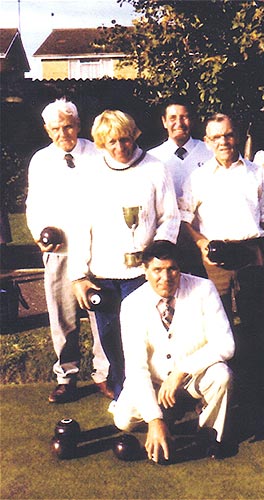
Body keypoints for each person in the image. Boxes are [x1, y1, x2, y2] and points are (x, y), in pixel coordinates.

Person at [68, 110, 180, 401]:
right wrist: (79, 276)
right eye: (112, 142)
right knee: (110, 339)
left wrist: (156, 257)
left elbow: (169, 217)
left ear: (135, 135)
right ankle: (124, 394)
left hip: (142, 275)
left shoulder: (155, 167)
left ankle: (156, 394)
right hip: (103, 276)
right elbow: (79, 226)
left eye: (126, 139)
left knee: (147, 336)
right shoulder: (89, 173)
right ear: (101, 142)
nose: (120, 148)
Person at [178, 113, 264, 419]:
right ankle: (217, 391)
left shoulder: (256, 173)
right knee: (216, 330)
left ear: (236, 136)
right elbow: (184, 219)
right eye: (216, 137)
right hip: (216, 260)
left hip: (251, 254)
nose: (223, 141)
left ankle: (254, 392)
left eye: (229, 135)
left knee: (256, 325)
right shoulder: (198, 177)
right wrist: (201, 244)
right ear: (207, 142)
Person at [111, 240, 235, 462]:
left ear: (180, 268)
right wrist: (154, 420)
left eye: (172, 269)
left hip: (193, 377)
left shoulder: (204, 289)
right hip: (156, 381)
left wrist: (181, 371)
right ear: (145, 270)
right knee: (123, 420)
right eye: (157, 270)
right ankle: (166, 413)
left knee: (222, 375)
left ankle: (209, 434)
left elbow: (226, 344)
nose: (165, 278)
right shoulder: (131, 305)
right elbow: (136, 368)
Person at [26, 98, 113, 403]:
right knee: (62, 318)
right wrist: (40, 236)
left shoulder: (98, 153)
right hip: (59, 251)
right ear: (47, 130)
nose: (64, 133)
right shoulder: (40, 161)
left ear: (78, 124)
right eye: (56, 129)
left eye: (69, 126)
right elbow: (32, 205)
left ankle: (105, 374)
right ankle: (67, 375)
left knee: (100, 313)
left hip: (96, 249)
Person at [148, 95, 213, 275]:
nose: (179, 123)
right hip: (168, 242)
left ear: (191, 120)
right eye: (173, 118)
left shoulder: (209, 152)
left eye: (184, 117)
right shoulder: (152, 159)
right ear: (164, 122)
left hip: (204, 240)